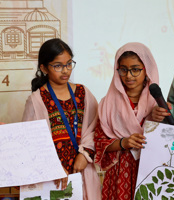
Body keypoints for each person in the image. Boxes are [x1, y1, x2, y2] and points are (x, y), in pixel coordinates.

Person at [22, 38, 101, 200]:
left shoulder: (83, 93)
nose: (65, 70)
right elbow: (29, 142)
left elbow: (98, 127)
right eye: (58, 66)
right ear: (44, 68)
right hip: (52, 177)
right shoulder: (36, 100)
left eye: (69, 64)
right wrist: (52, 167)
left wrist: (85, 154)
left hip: (82, 170)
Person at [94, 42, 159, 199]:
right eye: (123, 70)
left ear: (147, 70)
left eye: (135, 69)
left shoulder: (158, 104)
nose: (129, 75)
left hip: (151, 171)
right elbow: (99, 142)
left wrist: (164, 117)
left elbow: (171, 141)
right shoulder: (107, 103)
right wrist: (124, 142)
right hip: (119, 174)